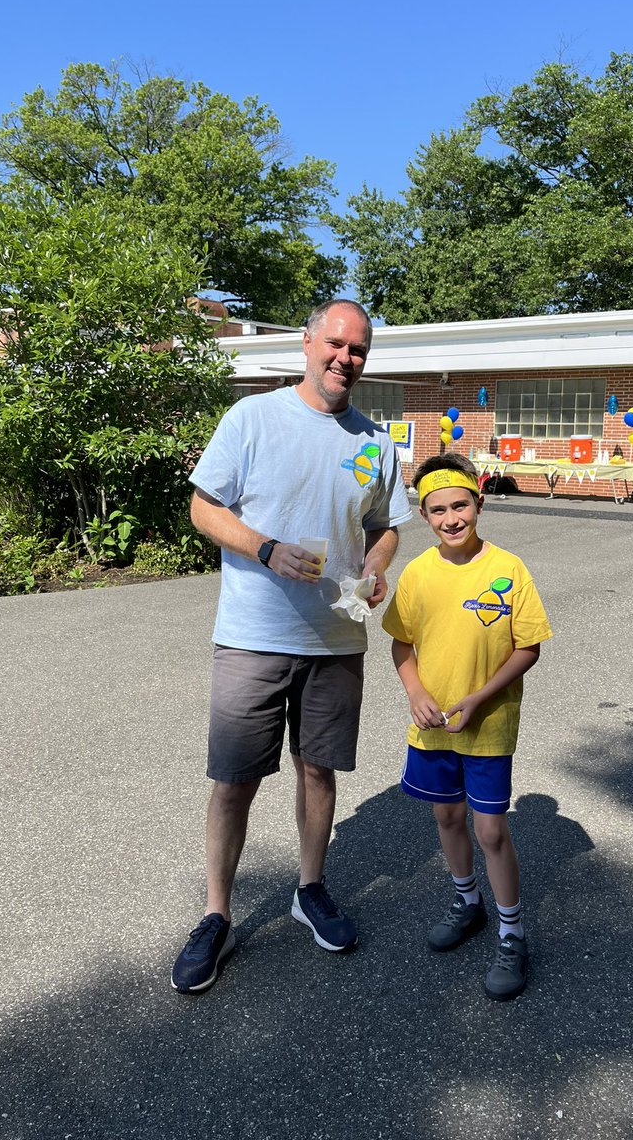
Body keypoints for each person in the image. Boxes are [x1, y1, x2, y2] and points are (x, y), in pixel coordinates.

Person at [171, 299, 412, 993]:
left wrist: (376, 565)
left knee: (318, 771)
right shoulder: (254, 418)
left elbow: (386, 525)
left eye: (358, 349)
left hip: (336, 637)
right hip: (253, 635)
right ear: (307, 343)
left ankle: (311, 889)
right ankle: (217, 915)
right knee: (235, 780)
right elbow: (202, 507)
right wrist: (266, 547)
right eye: (335, 343)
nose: (345, 358)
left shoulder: (372, 439)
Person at [381, 453, 552, 1001]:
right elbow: (401, 642)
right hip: (433, 725)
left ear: (478, 503)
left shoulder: (508, 568)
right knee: (447, 816)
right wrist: (416, 694)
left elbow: (528, 647)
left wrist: (478, 698)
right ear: (425, 516)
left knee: (491, 830)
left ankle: (512, 932)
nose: (451, 518)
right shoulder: (417, 573)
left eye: (460, 505)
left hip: (488, 724)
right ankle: (467, 901)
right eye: (438, 510)